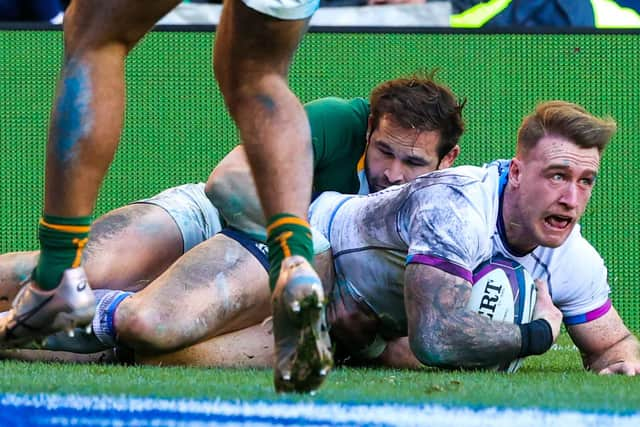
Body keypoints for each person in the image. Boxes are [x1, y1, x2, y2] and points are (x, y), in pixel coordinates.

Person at [0, 0, 357, 392]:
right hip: (232, 235)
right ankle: (293, 259)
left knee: (95, 35)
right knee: (261, 76)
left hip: (213, 251)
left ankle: (55, 276)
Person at [0, 74, 465, 370]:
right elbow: (228, 181)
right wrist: (311, 251)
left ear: (448, 159)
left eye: (414, 162)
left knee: (150, 346)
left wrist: (365, 342)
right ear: (369, 130)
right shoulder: (338, 120)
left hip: (275, 288)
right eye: (384, 150)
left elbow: (416, 344)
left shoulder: (446, 218)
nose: (392, 173)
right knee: (77, 272)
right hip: (216, 221)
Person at [161, 99, 638, 375]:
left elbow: (613, 344)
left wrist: (620, 364)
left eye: (585, 182)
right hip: (304, 248)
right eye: (556, 176)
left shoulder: (569, 255)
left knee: (160, 351)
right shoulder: (459, 208)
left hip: (340, 323)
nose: (571, 198)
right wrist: (536, 333)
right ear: (515, 172)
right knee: (151, 322)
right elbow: (436, 339)